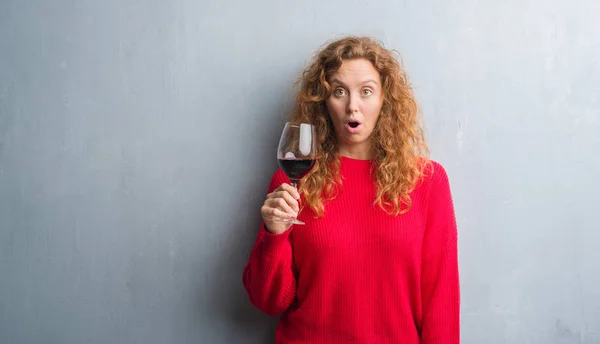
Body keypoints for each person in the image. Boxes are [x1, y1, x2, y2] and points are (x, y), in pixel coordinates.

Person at [242, 36, 459, 343]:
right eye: (339, 91)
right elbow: (267, 301)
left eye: (366, 91)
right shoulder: (292, 183)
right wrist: (273, 236)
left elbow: (442, 301)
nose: (352, 106)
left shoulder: (428, 182)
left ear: (385, 99)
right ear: (324, 101)